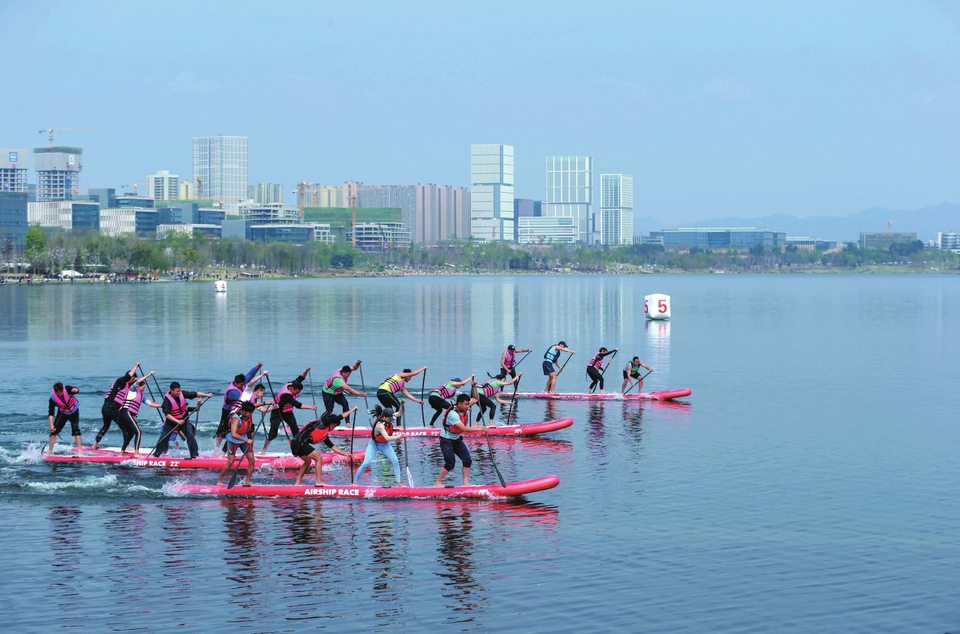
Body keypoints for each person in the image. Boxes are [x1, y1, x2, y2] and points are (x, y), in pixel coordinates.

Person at [433, 385, 485, 488]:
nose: (468, 406)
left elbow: (475, 398)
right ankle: (437, 483)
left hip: (456, 439)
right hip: (446, 440)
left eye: (468, 404)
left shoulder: (464, 407)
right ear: (459, 404)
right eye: (466, 404)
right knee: (450, 463)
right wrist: (480, 429)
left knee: (467, 460)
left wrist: (473, 387)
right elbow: (464, 429)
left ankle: (465, 482)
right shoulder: (453, 414)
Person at [291, 408, 357, 486]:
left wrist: (346, 454)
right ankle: (319, 482)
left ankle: (298, 482)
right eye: (334, 426)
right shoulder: (324, 422)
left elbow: (333, 447)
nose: (333, 428)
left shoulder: (324, 435)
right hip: (299, 442)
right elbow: (340, 417)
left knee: (308, 461)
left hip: (295, 443)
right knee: (319, 458)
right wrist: (353, 410)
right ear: (332, 423)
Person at [260, 367, 315, 454]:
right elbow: (297, 405)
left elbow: (301, 378)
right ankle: (264, 449)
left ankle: (297, 449)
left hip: (287, 412)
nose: (297, 394)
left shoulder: (293, 384)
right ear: (292, 389)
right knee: (273, 434)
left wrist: (306, 371)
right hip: (277, 411)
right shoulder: (286, 395)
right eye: (297, 392)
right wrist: (311, 407)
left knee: (295, 430)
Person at [152, 382, 213, 459]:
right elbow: (167, 415)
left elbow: (195, 394)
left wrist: (207, 395)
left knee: (190, 435)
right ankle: (156, 455)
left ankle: (194, 455)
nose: (179, 392)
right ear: (172, 391)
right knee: (164, 437)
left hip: (184, 420)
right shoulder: (167, 401)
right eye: (177, 391)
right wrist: (177, 421)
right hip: (172, 422)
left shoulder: (182, 393)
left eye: (179, 390)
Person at [214, 363, 264, 452]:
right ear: (236, 383)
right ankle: (216, 449)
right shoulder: (233, 391)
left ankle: (251, 448)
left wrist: (257, 368)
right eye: (240, 385)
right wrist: (258, 404)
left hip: (240, 410)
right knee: (223, 430)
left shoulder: (242, 382)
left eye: (242, 384)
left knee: (250, 427)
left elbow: (249, 375)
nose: (242, 385)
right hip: (229, 411)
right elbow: (244, 401)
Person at [352, 406, 408, 486]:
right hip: (374, 445)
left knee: (395, 461)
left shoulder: (389, 416)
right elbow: (387, 438)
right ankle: (355, 482)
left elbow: (400, 413)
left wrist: (402, 404)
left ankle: (399, 482)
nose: (390, 420)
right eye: (389, 419)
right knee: (366, 463)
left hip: (384, 445)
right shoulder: (380, 425)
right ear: (384, 417)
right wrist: (401, 436)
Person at [93, 362, 140, 450]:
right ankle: (127, 446)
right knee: (124, 426)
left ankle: (95, 444)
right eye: (132, 379)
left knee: (106, 426)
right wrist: (136, 366)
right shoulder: (121, 382)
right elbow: (128, 377)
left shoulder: (125, 385)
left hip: (106, 407)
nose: (132, 380)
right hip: (112, 408)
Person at [117, 371, 161, 456]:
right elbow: (137, 382)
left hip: (126, 414)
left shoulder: (141, 396)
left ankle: (122, 453)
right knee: (138, 432)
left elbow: (151, 404)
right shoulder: (132, 390)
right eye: (143, 388)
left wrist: (163, 406)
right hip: (126, 412)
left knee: (130, 434)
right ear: (138, 387)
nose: (144, 389)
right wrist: (149, 375)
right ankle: (136, 453)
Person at [217, 401, 256, 487]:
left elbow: (254, 406)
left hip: (243, 440)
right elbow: (234, 434)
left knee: (252, 460)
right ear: (244, 411)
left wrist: (267, 405)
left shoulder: (248, 413)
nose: (251, 414)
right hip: (233, 441)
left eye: (252, 412)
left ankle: (247, 482)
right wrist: (246, 439)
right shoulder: (236, 418)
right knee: (231, 461)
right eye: (250, 413)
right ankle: (220, 481)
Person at [48, 382, 82, 455]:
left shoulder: (67, 388)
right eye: (58, 393)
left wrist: (75, 390)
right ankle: (49, 451)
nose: (60, 394)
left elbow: (76, 389)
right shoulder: (52, 398)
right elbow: (51, 413)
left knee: (75, 429)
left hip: (74, 410)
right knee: (54, 431)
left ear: (62, 389)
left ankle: (80, 451)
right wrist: (51, 425)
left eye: (61, 392)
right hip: (63, 412)